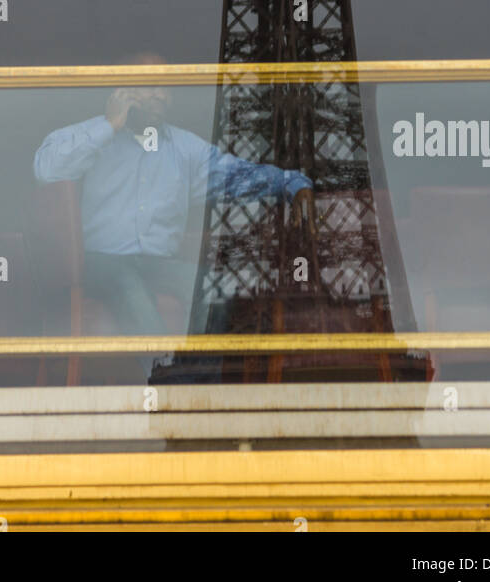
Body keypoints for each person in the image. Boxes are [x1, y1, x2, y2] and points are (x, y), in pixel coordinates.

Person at [33, 53, 312, 375]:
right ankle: (163, 377)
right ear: (123, 91)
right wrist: (109, 125)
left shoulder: (184, 148)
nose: (161, 95)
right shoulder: (96, 136)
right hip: (100, 261)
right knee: (127, 284)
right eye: (151, 86)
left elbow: (237, 175)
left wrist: (291, 182)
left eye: (166, 87)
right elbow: (46, 169)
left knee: (213, 284)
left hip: (156, 263)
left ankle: (198, 381)